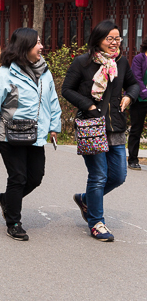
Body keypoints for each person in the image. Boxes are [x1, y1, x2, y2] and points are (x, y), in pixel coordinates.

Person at [0, 28, 61, 241]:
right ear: (24, 47)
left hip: (36, 133)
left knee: (36, 177)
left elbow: (52, 101)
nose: (41, 46)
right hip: (9, 134)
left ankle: (7, 200)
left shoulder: (44, 72)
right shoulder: (4, 74)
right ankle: (13, 221)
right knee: (18, 177)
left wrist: (54, 126)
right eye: (37, 43)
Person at [62, 20, 139, 241]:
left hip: (116, 127)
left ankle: (86, 200)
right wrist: (88, 105)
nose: (115, 43)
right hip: (92, 126)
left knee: (119, 176)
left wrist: (128, 96)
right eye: (110, 39)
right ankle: (97, 222)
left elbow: (133, 84)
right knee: (98, 175)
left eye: (118, 38)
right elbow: (67, 89)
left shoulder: (121, 63)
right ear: (98, 40)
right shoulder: (82, 63)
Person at [128, 38, 147, 170]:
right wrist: (145, 92)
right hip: (140, 100)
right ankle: (133, 159)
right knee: (136, 130)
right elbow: (137, 78)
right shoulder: (139, 59)